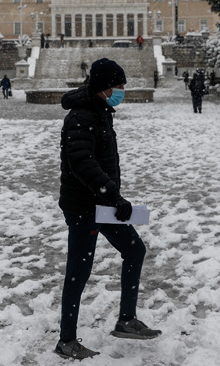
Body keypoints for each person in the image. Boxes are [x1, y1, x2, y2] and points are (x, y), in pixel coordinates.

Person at [55, 58, 161, 360]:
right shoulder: (82, 116)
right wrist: (112, 194)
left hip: (103, 205)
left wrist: (112, 197)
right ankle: (66, 341)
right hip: (85, 207)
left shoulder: (100, 111)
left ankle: (126, 320)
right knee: (78, 271)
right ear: (104, 87)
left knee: (135, 250)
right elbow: (81, 162)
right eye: (119, 86)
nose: (122, 91)